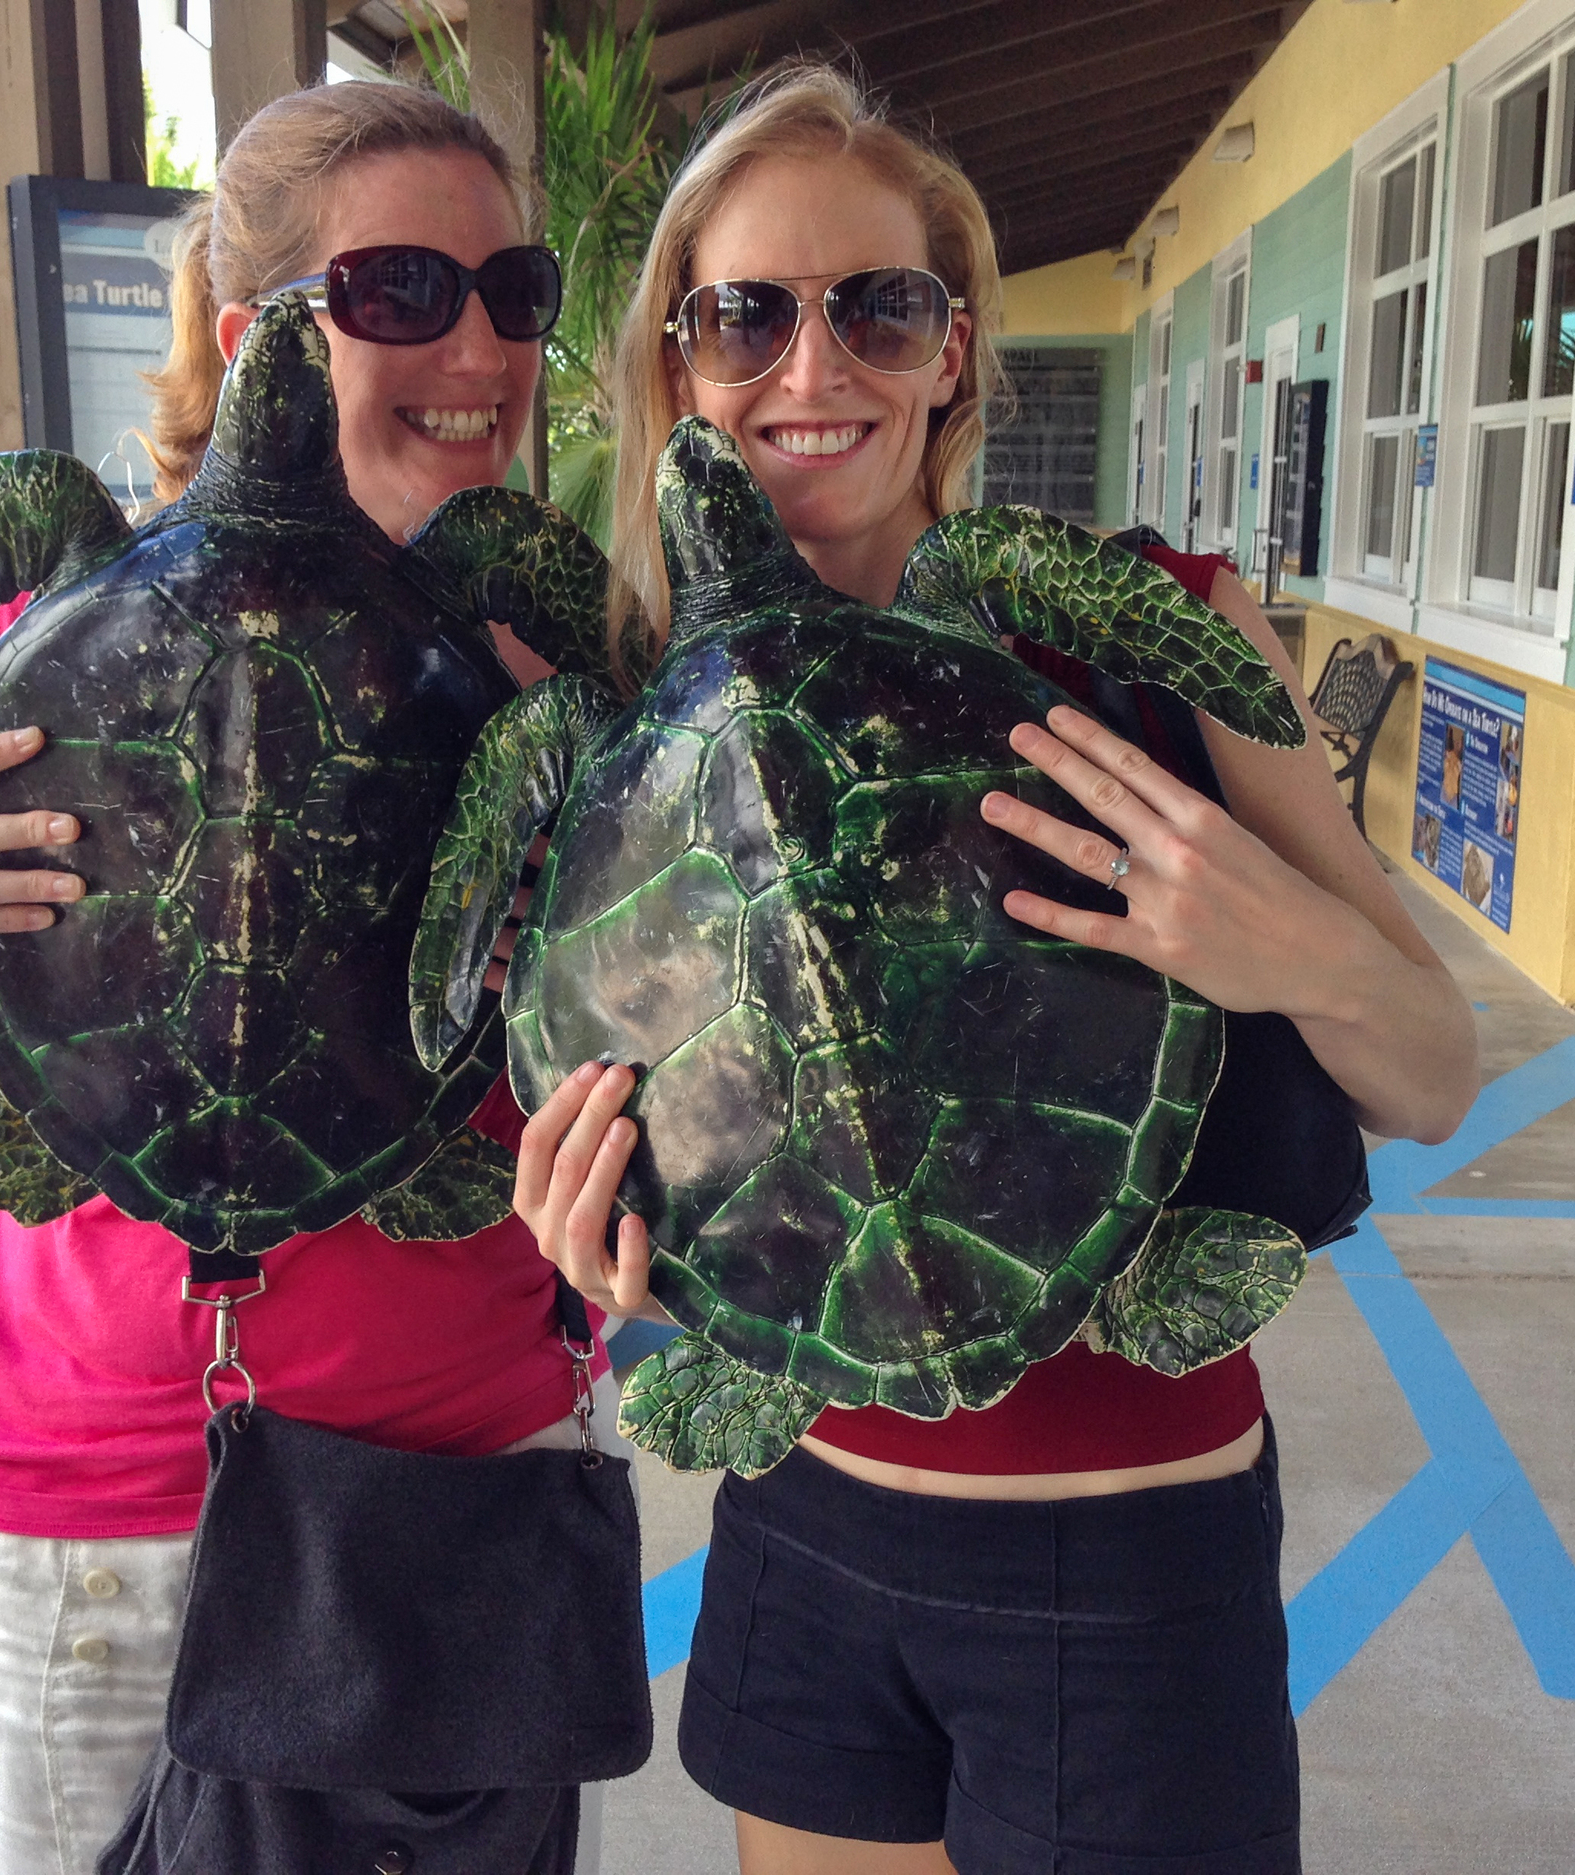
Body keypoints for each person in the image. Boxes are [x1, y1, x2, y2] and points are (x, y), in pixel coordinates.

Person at [514, 64, 1480, 1875]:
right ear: (677, 369)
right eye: (746, 318)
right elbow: (646, 1125)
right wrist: (595, 1239)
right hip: (805, 1511)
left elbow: (1434, 1070)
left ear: (953, 348)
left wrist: (1271, 939)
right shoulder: (630, 723)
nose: (814, 371)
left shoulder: (1142, 623)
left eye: (877, 308)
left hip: (1121, 1555)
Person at [0, 82, 616, 1875]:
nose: (478, 342)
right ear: (259, 334)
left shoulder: (548, 657)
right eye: (402, 291)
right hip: (106, 1499)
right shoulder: (40, 632)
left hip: (459, 1497)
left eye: (516, 288)